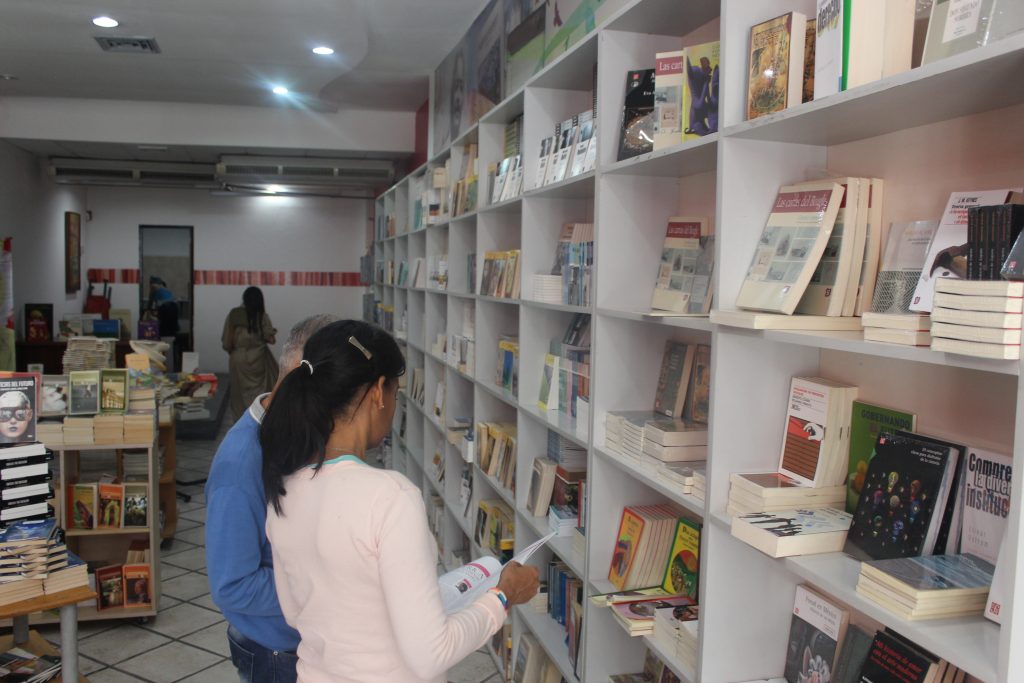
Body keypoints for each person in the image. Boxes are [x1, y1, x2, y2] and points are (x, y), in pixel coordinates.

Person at [262, 320, 539, 682]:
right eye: (396, 392)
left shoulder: (284, 489)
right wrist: (503, 596)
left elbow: (295, 613)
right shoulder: (390, 498)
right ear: (379, 392)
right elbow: (431, 654)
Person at [207, 314, 339, 683]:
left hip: (307, 640)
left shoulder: (297, 434)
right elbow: (232, 585)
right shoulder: (240, 465)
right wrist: (323, 589)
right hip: (274, 653)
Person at [222, 286, 279, 422]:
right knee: (259, 395)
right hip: (259, 359)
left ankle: (242, 424)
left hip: (238, 359)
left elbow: (227, 342)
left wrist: (234, 351)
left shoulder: (234, 314)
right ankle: (258, 422)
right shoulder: (262, 316)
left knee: (238, 397)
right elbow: (271, 340)